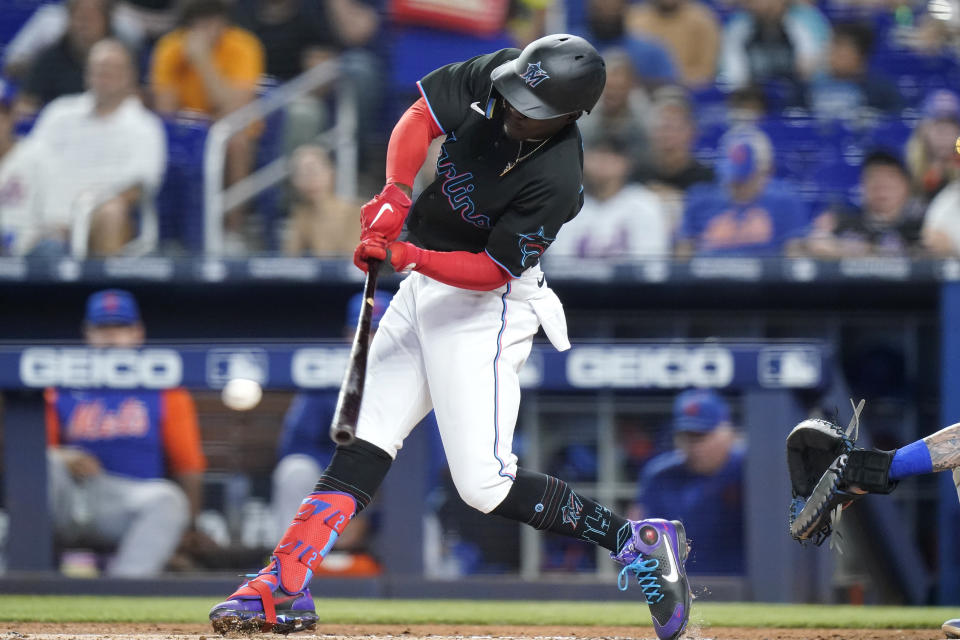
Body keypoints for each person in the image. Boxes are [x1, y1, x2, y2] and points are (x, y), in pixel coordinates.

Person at [209, 34, 692, 640]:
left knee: (484, 485)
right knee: (366, 437)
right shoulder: (497, 73)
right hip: (423, 285)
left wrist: (407, 253)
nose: (513, 110)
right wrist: (394, 192)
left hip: (486, 308)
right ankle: (285, 582)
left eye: (532, 110)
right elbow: (420, 116)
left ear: (571, 115)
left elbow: (492, 269)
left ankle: (637, 542)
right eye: (515, 96)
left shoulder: (559, 179)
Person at [46, 289, 207, 576]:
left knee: (167, 499)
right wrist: (62, 454)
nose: (111, 337)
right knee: (46, 463)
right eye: (102, 328)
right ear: (88, 334)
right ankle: (25, 576)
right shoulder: (61, 384)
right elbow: (31, 457)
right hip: (74, 498)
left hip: (127, 502)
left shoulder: (163, 388)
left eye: (120, 327)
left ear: (137, 333)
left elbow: (189, 467)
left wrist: (187, 530)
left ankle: (125, 588)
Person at [0, 39, 166, 257]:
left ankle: (104, 289)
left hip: (97, 215)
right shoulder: (59, 112)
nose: (104, 76)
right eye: (99, 69)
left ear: (130, 75)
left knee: (112, 212)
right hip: (42, 216)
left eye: (112, 69)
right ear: (87, 73)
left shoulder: (144, 126)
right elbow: (28, 161)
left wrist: (82, 213)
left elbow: (138, 187)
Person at [272, 291, 392, 545]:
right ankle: (287, 571)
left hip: (392, 500)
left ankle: (416, 584)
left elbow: (427, 468)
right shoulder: (325, 382)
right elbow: (295, 448)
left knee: (423, 517)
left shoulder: (415, 380)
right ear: (348, 335)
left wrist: (368, 513)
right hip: (333, 493)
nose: (370, 341)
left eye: (380, 333)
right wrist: (340, 502)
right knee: (294, 471)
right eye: (363, 331)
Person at [150, 0, 265, 240]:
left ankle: (233, 232)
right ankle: (164, 235)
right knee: (160, 142)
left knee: (235, 141)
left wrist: (203, 61)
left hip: (229, 130)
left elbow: (237, 108)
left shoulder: (244, 45)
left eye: (213, 19)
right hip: (188, 131)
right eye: (200, 21)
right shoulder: (171, 47)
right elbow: (165, 111)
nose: (207, 27)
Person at [634, 390, 745, 575]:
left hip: (744, 589)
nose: (695, 446)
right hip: (678, 589)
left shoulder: (749, 470)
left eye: (702, 435)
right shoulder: (660, 475)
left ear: (728, 433)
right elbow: (637, 542)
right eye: (687, 436)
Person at [676, 126, 809, 257]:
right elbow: (683, 257)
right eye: (731, 175)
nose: (735, 184)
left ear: (765, 171)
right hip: (707, 277)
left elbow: (795, 258)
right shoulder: (701, 199)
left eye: (743, 178)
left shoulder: (784, 202)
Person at [548, 136, 669, 258]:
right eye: (597, 155)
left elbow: (651, 265)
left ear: (627, 163)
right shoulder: (566, 205)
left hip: (628, 277)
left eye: (610, 156)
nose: (602, 163)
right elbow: (559, 265)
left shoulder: (644, 203)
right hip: (575, 277)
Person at [805, 150, 925, 258]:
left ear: (906, 185)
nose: (881, 187)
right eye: (873, 178)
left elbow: (933, 252)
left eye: (889, 178)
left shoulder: (922, 224)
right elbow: (805, 246)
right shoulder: (843, 221)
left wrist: (865, 251)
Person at [18, 0, 113, 116]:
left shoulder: (122, 58)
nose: (84, 24)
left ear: (105, 21)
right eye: (80, 18)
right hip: (61, 127)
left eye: (91, 18)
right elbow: (26, 103)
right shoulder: (49, 58)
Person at [806, 22, 902, 121]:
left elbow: (897, 122)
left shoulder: (882, 90)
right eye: (831, 46)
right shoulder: (809, 86)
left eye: (839, 47)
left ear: (860, 54)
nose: (830, 53)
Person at [283, 145, 361, 257]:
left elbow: (355, 259)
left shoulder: (356, 213)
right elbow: (291, 260)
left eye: (313, 171)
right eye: (302, 174)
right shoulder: (301, 217)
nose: (309, 180)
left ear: (330, 173)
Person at [626, 0, 721, 88]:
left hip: (689, 90)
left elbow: (706, 70)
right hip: (643, 90)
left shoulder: (702, 19)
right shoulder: (635, 19)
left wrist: (674, 83)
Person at [905, 89, 960, 205]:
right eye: (938, 126)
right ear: (923, 130)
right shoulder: (907, 169)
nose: (944, 134)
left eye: (950, 126)